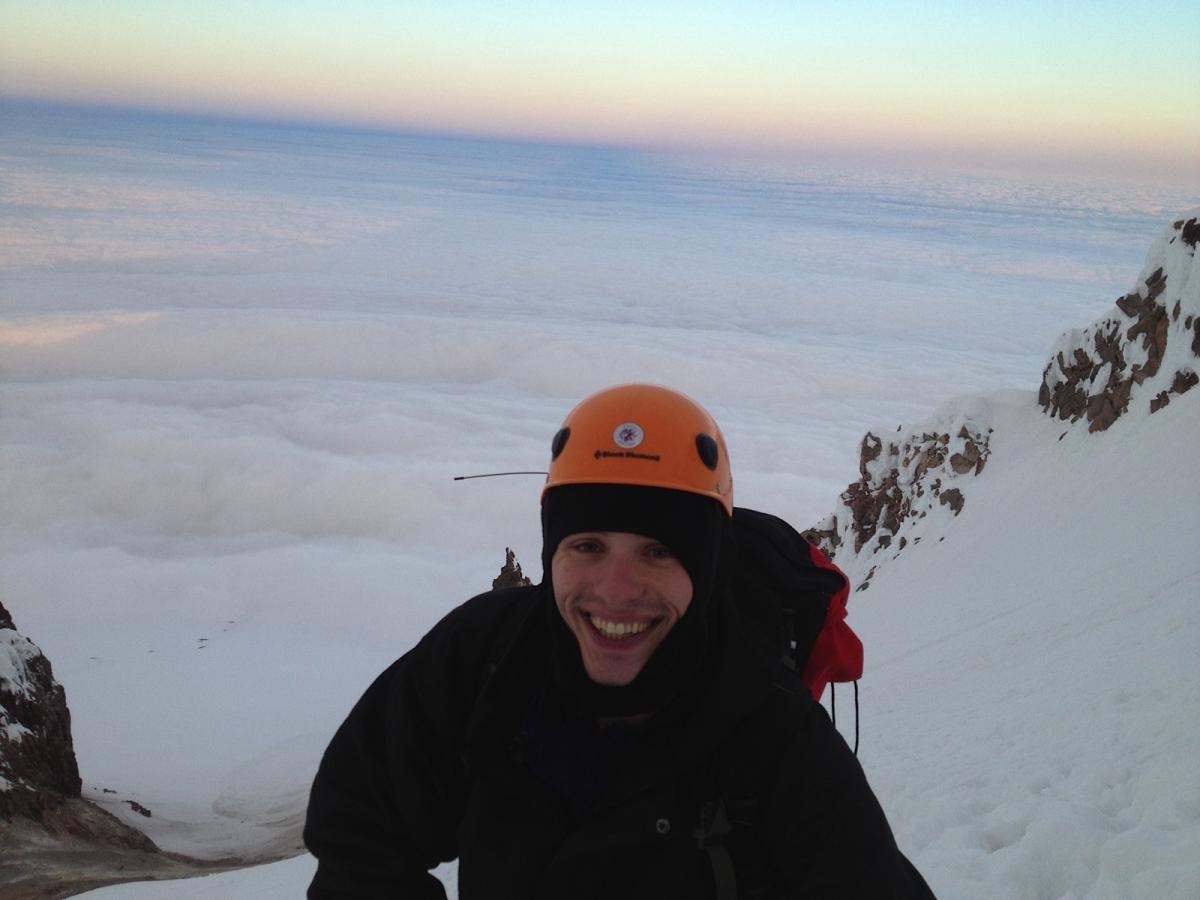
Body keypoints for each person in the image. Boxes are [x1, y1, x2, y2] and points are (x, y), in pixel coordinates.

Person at [304, 383, 934, 898]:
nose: (615, 589)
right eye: (588, 546)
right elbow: (360, 833)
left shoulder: (767, 726)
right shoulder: (485, 659)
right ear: (553, 551)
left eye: (658, 552)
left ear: (707, 569)